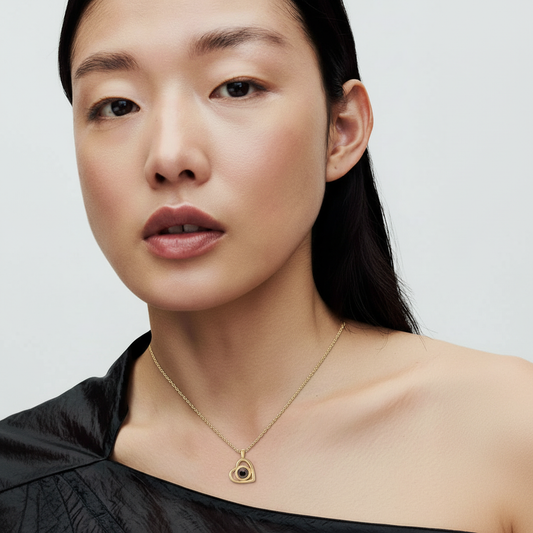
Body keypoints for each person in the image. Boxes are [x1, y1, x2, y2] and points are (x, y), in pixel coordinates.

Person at [1, 0, 532, 531]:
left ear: (342, 129)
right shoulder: (19, 481)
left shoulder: (507, 425)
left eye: (236, 87)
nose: (169, 157)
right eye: (117, 105)